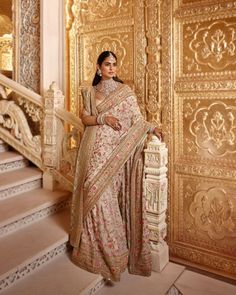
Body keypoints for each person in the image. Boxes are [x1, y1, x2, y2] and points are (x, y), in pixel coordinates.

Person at [70, 51, 162, 282]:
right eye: (107, 64)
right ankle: (93, 250)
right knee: (92, 191)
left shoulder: (125, 92)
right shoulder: (90, 92)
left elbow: (136, 120)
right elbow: (85, 118)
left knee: (107, 197)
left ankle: (114, 254)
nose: (112, 68)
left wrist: (151, 129)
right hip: (93, 150)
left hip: (115, 154)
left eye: (114, 64)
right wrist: (103, 119)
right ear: (99, 67)